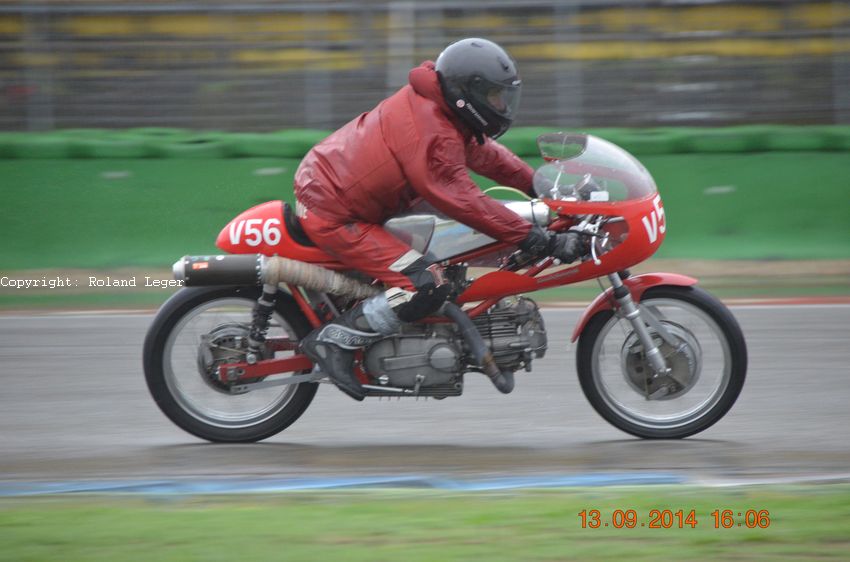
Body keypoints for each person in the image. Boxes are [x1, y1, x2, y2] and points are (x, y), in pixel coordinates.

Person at [294, 38, 582, 400]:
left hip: (354, 196)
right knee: (427, 283)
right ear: (467, 93)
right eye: (494, 96)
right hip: (335, 212)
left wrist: (544, 188)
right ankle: (333, 342)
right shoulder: (432, 131)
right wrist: (540, 240)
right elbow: (464, 199)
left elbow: (488, 157)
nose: (501, 105)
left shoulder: (443, 110)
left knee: (464, 244)